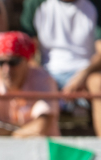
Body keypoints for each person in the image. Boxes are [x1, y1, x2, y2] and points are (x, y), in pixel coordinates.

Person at [21, 0, 101, 136]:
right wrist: (43, 78)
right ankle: (28, 140)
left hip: (87, 72)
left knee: (98, 83)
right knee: (29, 81)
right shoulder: (35, 4)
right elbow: (29, 51)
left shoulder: (96, 4)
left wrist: (82, 76)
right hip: (47, 73)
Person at [0, 30, 60, 134]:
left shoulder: (43, 79)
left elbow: (42, 126)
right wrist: (18, 134)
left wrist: (6, 135)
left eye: (13, 62)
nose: (7, 69)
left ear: (27, 61)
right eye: (1, 62)